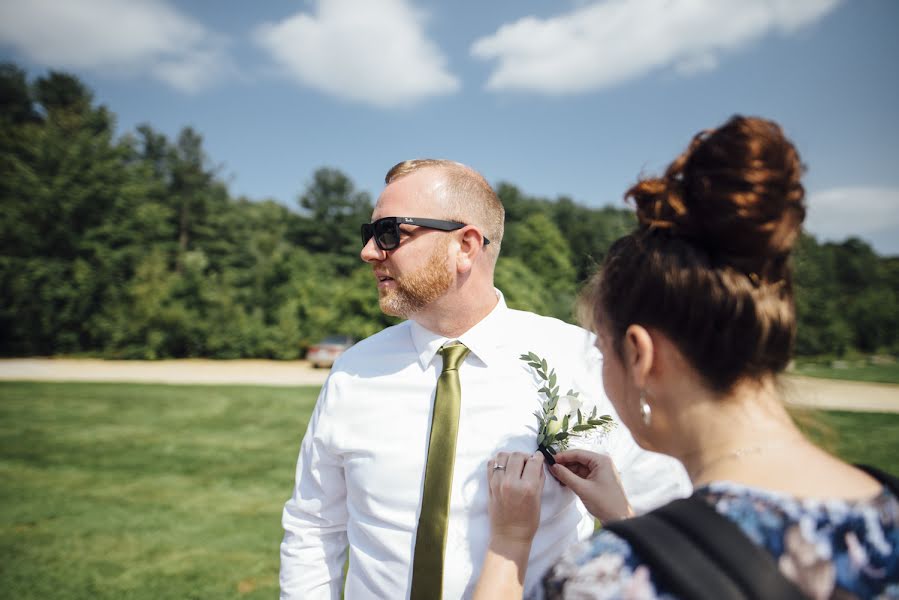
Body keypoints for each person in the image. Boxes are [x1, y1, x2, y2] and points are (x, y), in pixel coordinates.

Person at [473, 116, 899, 599]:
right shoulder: (885, 522)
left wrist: (509, 541)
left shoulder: (610, 577)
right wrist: (625, 519)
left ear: (640, 355)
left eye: (601, 349)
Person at [279, 159, 691, 599]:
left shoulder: (582, 359)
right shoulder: (354, 370)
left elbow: (661, 514)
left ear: (466, 245)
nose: (368, 252)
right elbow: (315, 525)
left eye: (389, 233)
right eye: (369, 234)